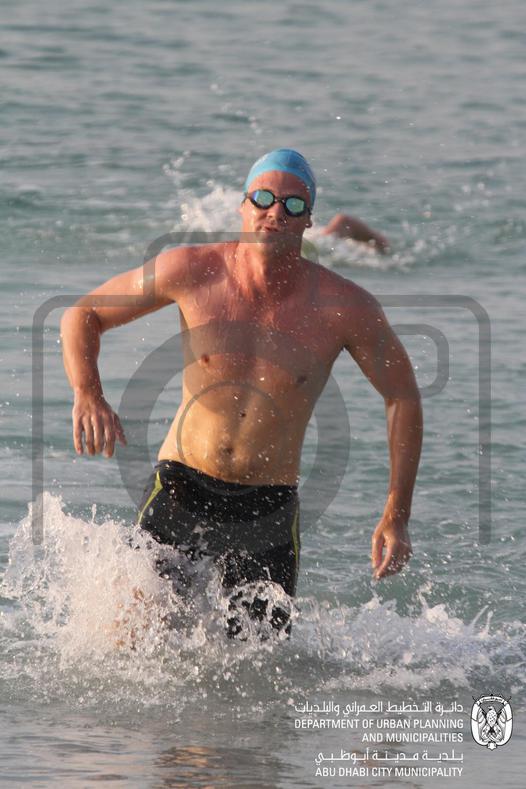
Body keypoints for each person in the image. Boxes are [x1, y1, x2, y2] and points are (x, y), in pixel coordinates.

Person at [60, 148, 422, 638]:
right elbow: (84, 313)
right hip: (181, 486)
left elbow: (402, 396)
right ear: (243, 205)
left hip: (269, 507)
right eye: (264, 199)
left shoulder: (346, 307)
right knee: (135, 640)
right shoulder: (192, 270)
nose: (276, 212)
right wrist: (88, 392)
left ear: (309, 220)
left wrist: (397, 515)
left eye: (293, 204)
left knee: (261, 664)